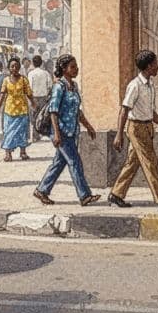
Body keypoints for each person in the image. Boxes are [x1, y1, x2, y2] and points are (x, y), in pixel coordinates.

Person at [109, 50, 158, 210]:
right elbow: (124, 110)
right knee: (150, 162)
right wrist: (119, 134)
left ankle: (116, 194)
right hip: (136, 128)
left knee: (132, 163)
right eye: (155, 64)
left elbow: (150, 111)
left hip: (147, 126)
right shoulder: (135, 86)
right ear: (149, 66)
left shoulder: (149, 86)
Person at [33, 55, 101, 206]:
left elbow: (77, 111)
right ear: (64, 69)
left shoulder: (74, 86)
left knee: (59, 162)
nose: (76, 69)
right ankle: (84, 195)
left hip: (72, 131)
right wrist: (56, 133)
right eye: (72, 67)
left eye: (76, 66)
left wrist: (88, 126)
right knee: (74, 161)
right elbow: (53, 111)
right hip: (61, 132)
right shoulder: (59, 87)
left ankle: (42, 190)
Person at [0, 57, 34, 162]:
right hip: (9, 110)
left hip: (22, 110)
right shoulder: (6, 80)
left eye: (16, 66)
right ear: (9, 68)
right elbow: (2, 94)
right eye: (12, 66)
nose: (14, 68)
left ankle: (23, 152)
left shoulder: (23, 79)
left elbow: (29, 93)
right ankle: (8, 154)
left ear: (19, 67)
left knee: (22, 131)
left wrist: (33, 103)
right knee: (8, 132)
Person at [27, 54, 53, 141]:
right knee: (42, 116)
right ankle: (41, 133)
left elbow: (29, 87)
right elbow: (50, 86)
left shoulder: (31, 74)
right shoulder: (46, 73)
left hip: (33, 98)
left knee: (34, 116)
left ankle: (35, 135)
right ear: (41, 63)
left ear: (33, 63)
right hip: (43, 98)